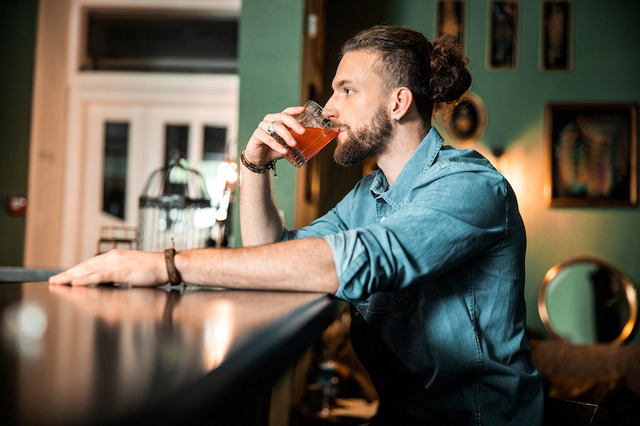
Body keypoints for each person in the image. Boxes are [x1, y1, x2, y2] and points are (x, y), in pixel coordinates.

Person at [50, 25, 543, 425]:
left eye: (346, 91)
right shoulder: (368, 198)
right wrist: (253, 164)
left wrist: (168, 265)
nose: (327, 110)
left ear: (398, 103)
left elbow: (359, 260)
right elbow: (274, 253)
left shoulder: (471, 186)